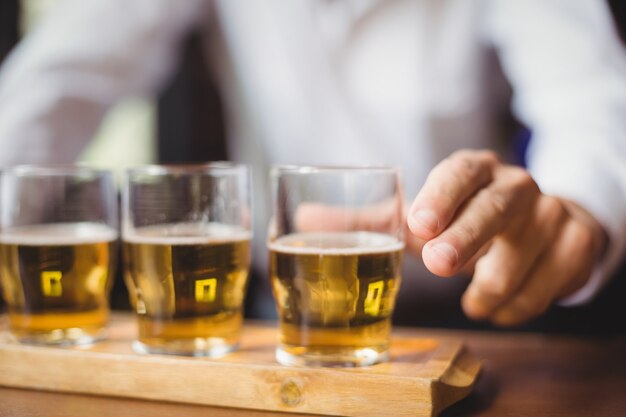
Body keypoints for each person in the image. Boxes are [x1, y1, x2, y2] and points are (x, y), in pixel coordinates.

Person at [0, 0, 625, 327]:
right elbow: (55, 79)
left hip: (469, 311)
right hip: (275, 313)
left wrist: (575, 215)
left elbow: (597, 105)